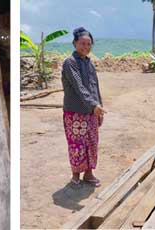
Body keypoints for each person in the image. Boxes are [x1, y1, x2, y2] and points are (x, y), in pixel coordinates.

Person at [61, 27, 105, 187]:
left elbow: (95, 87)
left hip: (91, 111)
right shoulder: (69, 63)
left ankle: (88, 174)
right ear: (74, 43)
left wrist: (99, 107)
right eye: (82, 43)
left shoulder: (90, 64)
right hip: (75, 113)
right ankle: (75, 175)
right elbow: (79, 86)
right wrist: (94, 105)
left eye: (89, 44)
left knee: (92, 143)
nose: (86, 47)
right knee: (77, 144)